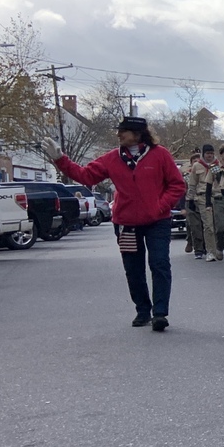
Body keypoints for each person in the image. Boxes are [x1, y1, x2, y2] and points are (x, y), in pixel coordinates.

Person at [42, 117, 186, 331]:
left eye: (124, 131)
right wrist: (60, 159)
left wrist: (160, 206)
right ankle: (143, 310)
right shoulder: (112, 158)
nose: (119, 135)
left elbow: (177, 185)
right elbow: (86, 175)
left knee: (160, 264)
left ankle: (160, 313)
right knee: (133, 269)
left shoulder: (160, 155)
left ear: (138, 134)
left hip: (158, 221)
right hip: (127, 223)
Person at [183, 148, 203, 256]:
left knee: (205, 225)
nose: (196, 162)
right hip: (190, 201)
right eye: (194, 160)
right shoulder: (186, 176)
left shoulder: (206, 172)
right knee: (193, 225)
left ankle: (205, 246)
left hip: (203, 200)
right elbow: (182, 191)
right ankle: (197, 248)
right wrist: (183, 206)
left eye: (198, 160)